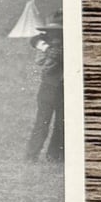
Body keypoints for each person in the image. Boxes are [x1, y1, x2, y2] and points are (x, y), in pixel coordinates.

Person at [25, 10, 65, 162]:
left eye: (58, 32)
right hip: (49, 86)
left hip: (62, 87)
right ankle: (31, 155)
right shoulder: (46, 40)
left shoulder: (69, 43)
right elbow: (34, 40)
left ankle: (55, 155)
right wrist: (47, 48)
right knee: (42, 122)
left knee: (61, 123)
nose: (54, 35)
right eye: (51, 32)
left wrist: (53, 51)